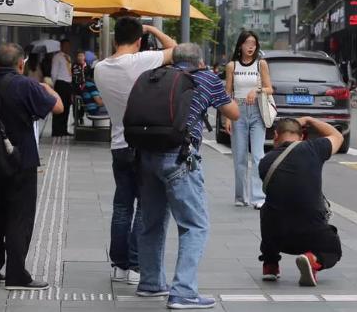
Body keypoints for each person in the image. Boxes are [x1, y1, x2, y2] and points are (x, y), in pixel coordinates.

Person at [136, 43, 239, 309]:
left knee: (151, 222)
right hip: (180, 157)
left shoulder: (156, 75)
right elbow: (234, 113)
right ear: (201, 61)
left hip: (147, 155)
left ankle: (150, 282)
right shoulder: (205, 78)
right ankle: (183, 291)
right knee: (195, 225)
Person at [0, 42, 63, 290]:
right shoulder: (27, 85)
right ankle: (16, 275)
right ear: (20, 63)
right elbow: (57, 107)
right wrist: (48, 88)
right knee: (19, 216)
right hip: (21, 160)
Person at [94, 17, 177, 286]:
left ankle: (118, 266)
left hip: (118, 144)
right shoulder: (141, 61)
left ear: (115, 39)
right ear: (139, 41)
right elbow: (178, 49)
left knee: (121, 206)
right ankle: (135, 265)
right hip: (142, 144)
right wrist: (153, 29)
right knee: (145, 205)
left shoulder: (100, 68)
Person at [258, 117, 343, 286]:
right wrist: (311, 120)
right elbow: (337, 136)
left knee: (267, 208)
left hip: (278, 237)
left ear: (276, 135)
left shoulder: (265, 162)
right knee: (334, 248)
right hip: (312, 236)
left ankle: (270, 265)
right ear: (302, 136)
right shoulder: (314, 149)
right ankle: (313, 260)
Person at [224, 30, 273, 209]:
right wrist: (227, 117)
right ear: (241, 45)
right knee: (239, 156)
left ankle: (259, 197)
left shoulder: (261, 64)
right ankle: (240, 197)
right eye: (247, 43)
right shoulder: (232, 66)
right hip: (238, 111)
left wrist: (257, 90)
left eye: (253, 43)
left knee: (259, 155)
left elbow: (270, 88)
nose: (250, 46)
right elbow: (227, 94)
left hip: (257, 111)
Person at [51, 39, 74, 136]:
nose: (67, 48)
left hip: (68, 84)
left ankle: (63, 129)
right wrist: (54, 85)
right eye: (65, 46)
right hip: (60, 83)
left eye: (69, 46)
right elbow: (54, 72)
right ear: (61, 46)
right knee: (59, 107)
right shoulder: (57, 57)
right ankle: (56, 130)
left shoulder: (68, 57)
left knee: (67, 107)